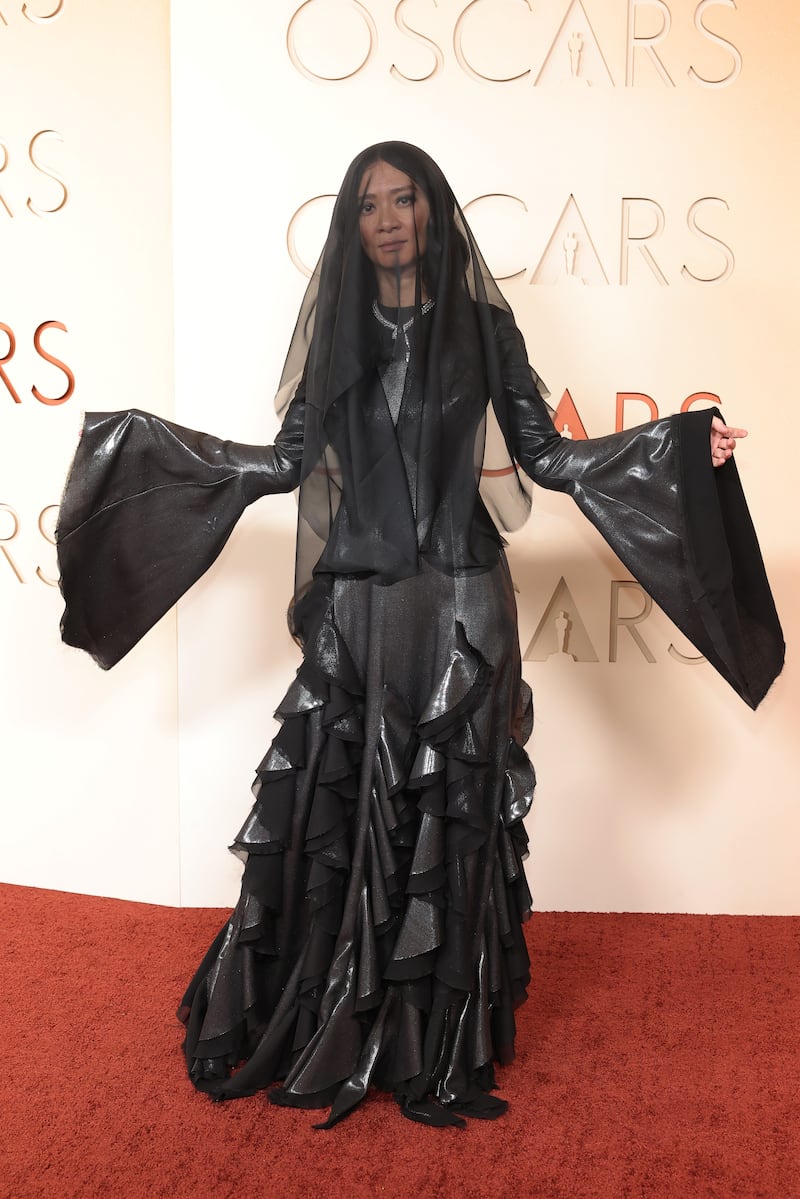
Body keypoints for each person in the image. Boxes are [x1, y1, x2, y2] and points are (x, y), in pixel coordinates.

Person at [56, 142, 783, 1129]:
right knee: (342, 809)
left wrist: (680, 446)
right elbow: (282, 461)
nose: (389, 217)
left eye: (405, 199)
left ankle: (439, 1040)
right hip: (360, 607)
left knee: (454, 817)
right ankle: (339, 1016)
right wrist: (131, 451)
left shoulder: (483, 328)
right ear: (350, 225)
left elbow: (548, 455)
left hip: (461, 601)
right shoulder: (336, 337)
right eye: (368, 204)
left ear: (434, 212)